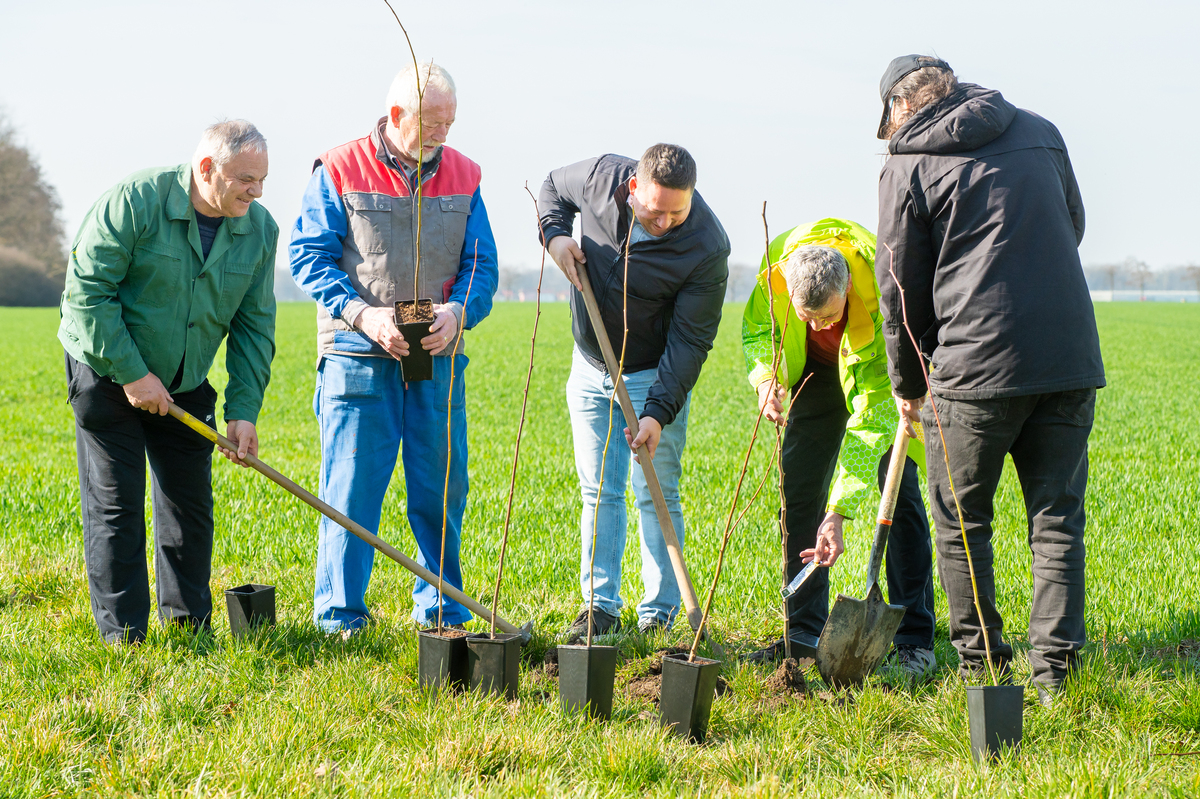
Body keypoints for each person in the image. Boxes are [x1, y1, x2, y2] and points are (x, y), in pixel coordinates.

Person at [875, 55, 1104, 702]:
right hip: (1066, 358)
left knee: (961, 521)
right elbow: (1073, 225)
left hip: (972, 368)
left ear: (899, 109)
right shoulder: (1041, 130)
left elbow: (899, 286)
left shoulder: (906, 162)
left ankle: (984, 671)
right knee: (1057, 520)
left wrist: (908, 381)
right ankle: (1056, 677)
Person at [290, 62, 498, 634]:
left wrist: (458, 312)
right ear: (397, 114)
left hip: (436, 350)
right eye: (432, 122)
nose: (443, 133)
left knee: (441, 489)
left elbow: (481, 264)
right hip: (358, 354)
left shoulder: (465, 174)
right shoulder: (339, 167)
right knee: (351, 492)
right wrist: (363, 315)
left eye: (450, 121)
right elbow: (308, 255)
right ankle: (340, 619)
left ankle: (442, 611)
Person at [59, 120, 277, 644]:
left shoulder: (259, 231)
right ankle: (125, 638)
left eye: (263, 179)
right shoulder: (135, 202)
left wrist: (243, 410)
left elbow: (254, 326)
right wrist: (133, 374)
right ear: (207, 168)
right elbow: (87, 293)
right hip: (107, 369)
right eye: (246, 179)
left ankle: (188, 629)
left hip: (185, 381)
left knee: (189, 506)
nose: (258, 192)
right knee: (117, 505)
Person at [538, 144, 729, 639]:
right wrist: (555, 236)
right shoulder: (601, 178)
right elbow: (552, 188)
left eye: (677, 213)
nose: (665, 223)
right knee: (598, 490)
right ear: (632, 189)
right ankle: (599, 607)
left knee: (656, 491)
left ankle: (658, 614)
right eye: (654, 211)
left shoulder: (707, 246)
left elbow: (690, 343)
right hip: (589, 364)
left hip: (651, 374)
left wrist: (657, 413)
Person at [741, 219, 936, 676]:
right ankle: (803, 631)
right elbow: (758, 331)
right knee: (799, 489)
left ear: (847, 287)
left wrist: (839, 512)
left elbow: (871, 420)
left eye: (827, 316)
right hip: (815, 371)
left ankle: (914, 640)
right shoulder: (774, 277)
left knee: (899, 494)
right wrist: (766, 378)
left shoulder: (883, 294)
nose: (817, 325)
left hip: (874, 372)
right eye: (807, 318)